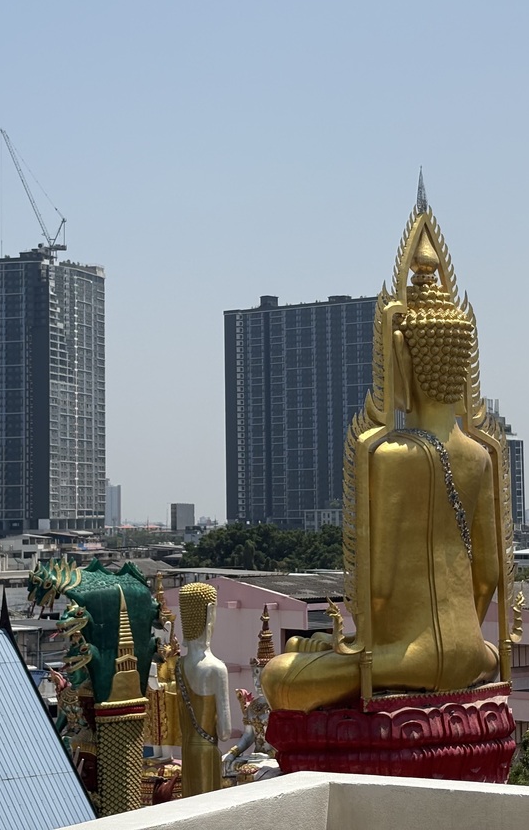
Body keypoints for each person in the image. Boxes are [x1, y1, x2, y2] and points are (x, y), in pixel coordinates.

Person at [261, 212, 505, 714]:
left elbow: (380, 585)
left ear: (399, 357)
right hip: (476, 654)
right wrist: (462, 637)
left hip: (408, 657)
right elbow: (487, 574)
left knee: (279, 677)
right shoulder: (481, 455)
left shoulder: (392, 456)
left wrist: (354, 648)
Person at [176, 582, 232, 795]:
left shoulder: (178, 665)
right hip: (207, 751)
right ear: (210, 613)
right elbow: (225, 733)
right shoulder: (216, 668)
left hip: (187, 751)